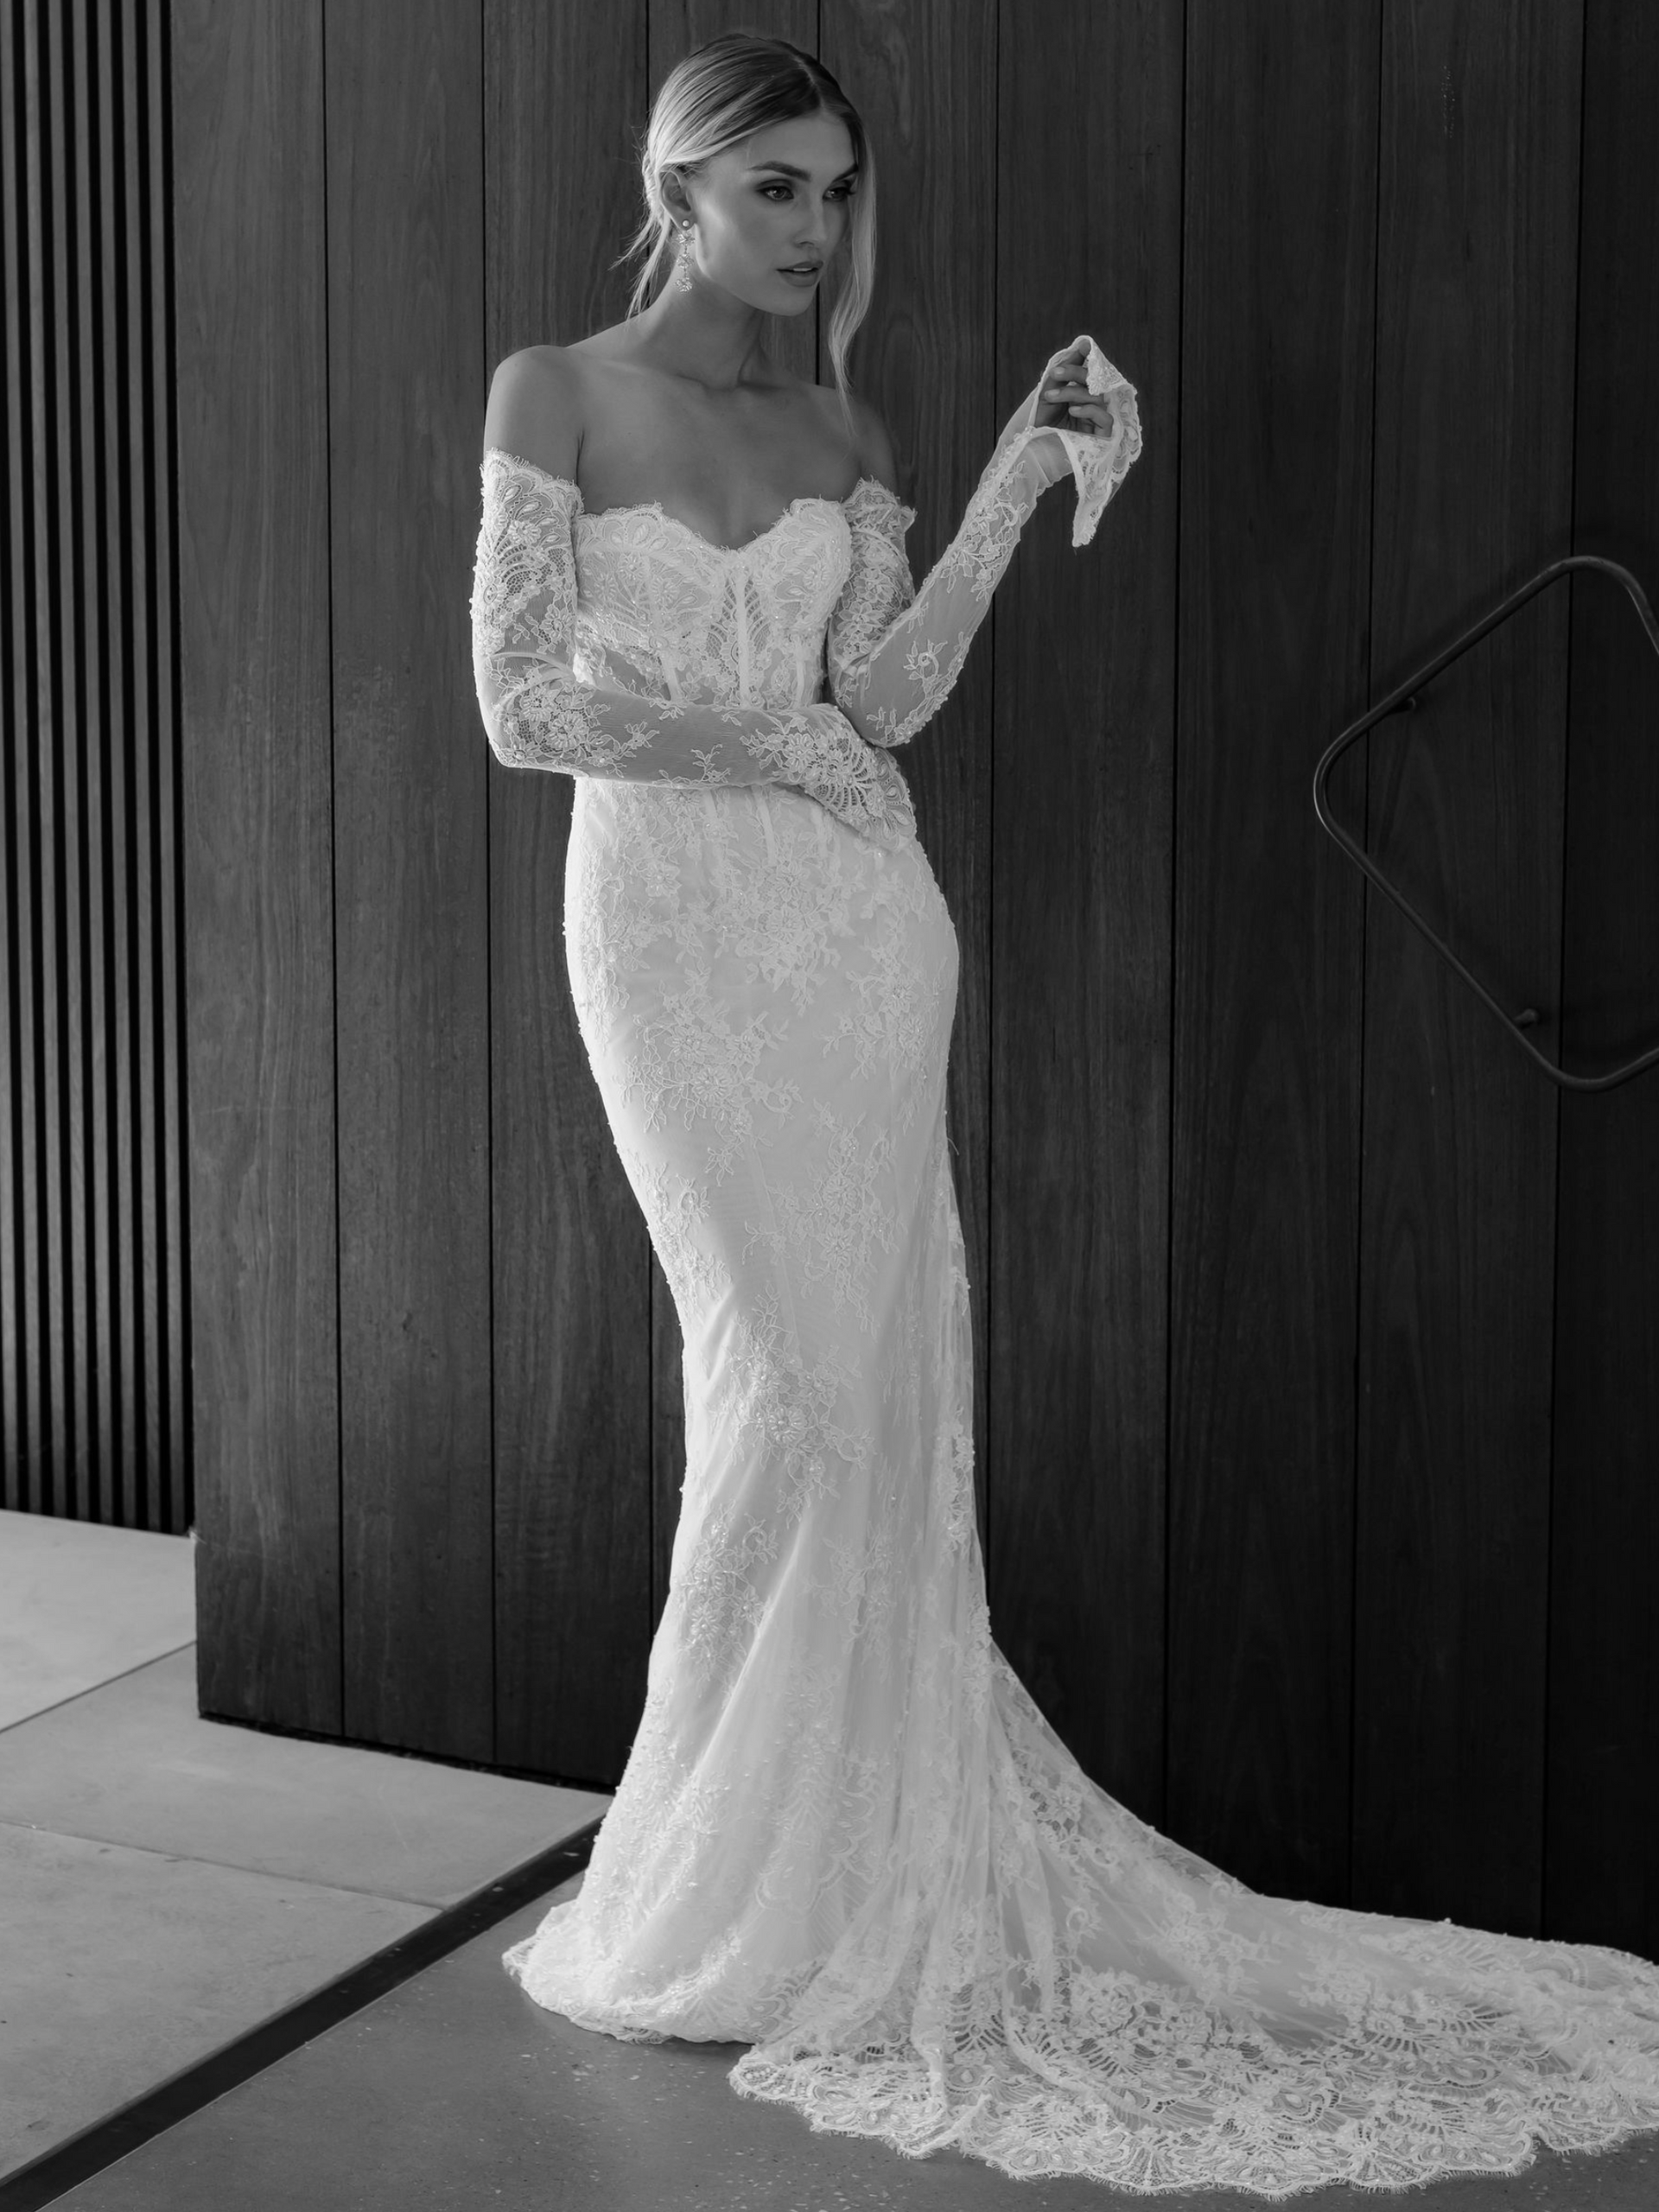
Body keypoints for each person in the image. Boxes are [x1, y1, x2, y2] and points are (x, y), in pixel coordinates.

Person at [468, 30, 1659, 2195]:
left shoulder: (843, 426)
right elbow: (522, 699)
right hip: (665, 937)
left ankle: (806, 1882)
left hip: (861, 940)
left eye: (837, 189)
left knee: (863, 1397)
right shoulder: (551, 390)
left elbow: (889, 696)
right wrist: (776, 750)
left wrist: (1012, 480)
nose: (814, 225)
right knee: (779, 1391)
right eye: (775, 186)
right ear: (679, 184)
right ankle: (715, 1874)